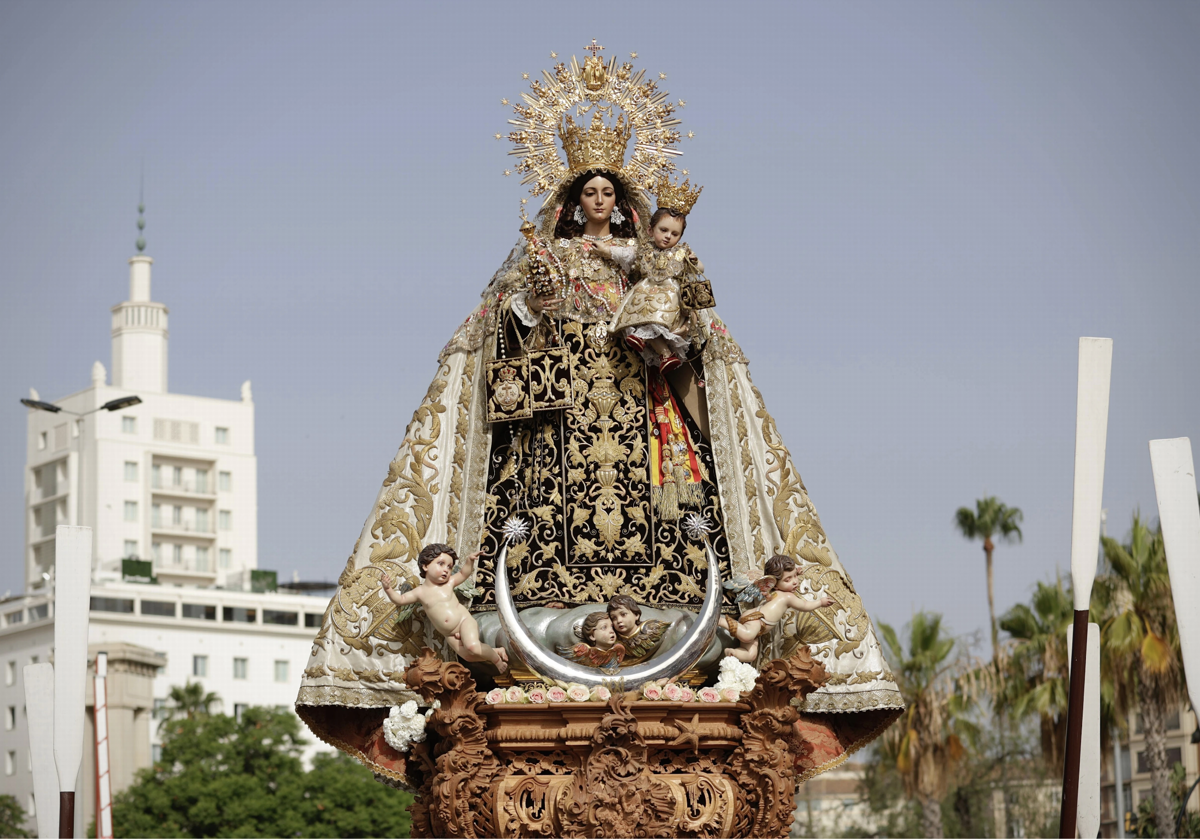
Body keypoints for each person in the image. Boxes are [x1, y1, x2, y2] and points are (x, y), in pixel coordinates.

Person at [379, 543, 509, 673]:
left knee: (472, 647)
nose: (446, 569)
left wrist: (469, 560)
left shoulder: (449, 583)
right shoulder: (419, 592)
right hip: (449, 634)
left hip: (463, 622)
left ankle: (496, 660)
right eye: (441, 564)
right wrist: (388, 589)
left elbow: (464, 573)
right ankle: (496, 651)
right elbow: (400, 600)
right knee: (468, 656)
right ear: (425, 566)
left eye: (449, 566)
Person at [611, 204, 705, 373]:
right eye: (663, 230)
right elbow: (624, 255)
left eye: (675, 234)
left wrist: (693, 261)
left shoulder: (681, 251)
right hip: (645, 290)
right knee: (634, 312)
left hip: (668, 295)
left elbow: (700, 269)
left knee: (655, 318)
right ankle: (654, 347)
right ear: (650, 230)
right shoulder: (644, 249)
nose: (668, 236)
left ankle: (663, 352)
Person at [722, 555, 834, 664]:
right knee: (748, 635)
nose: (795, 582)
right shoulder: (788, 597)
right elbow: (804, 606)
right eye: (788, 580)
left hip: (758, 627)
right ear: (774, 583)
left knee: (751, 655)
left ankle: (732, 653)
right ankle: (720, 621)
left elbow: (788, 578)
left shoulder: (774, 592)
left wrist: (795, 573)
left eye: (795, 576)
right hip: (756, 619)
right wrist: (820, 602)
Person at [606, 594, 670, 666]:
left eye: (623, 614)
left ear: (636, 615)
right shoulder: (613, 639)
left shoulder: (651, 630)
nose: (619, 620)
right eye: (614, 618)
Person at [561, 611, 625, 669]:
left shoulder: (618, 649)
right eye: (604, 627)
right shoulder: (586, 652)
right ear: (592, 636)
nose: (611, 631)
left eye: (612, 627)